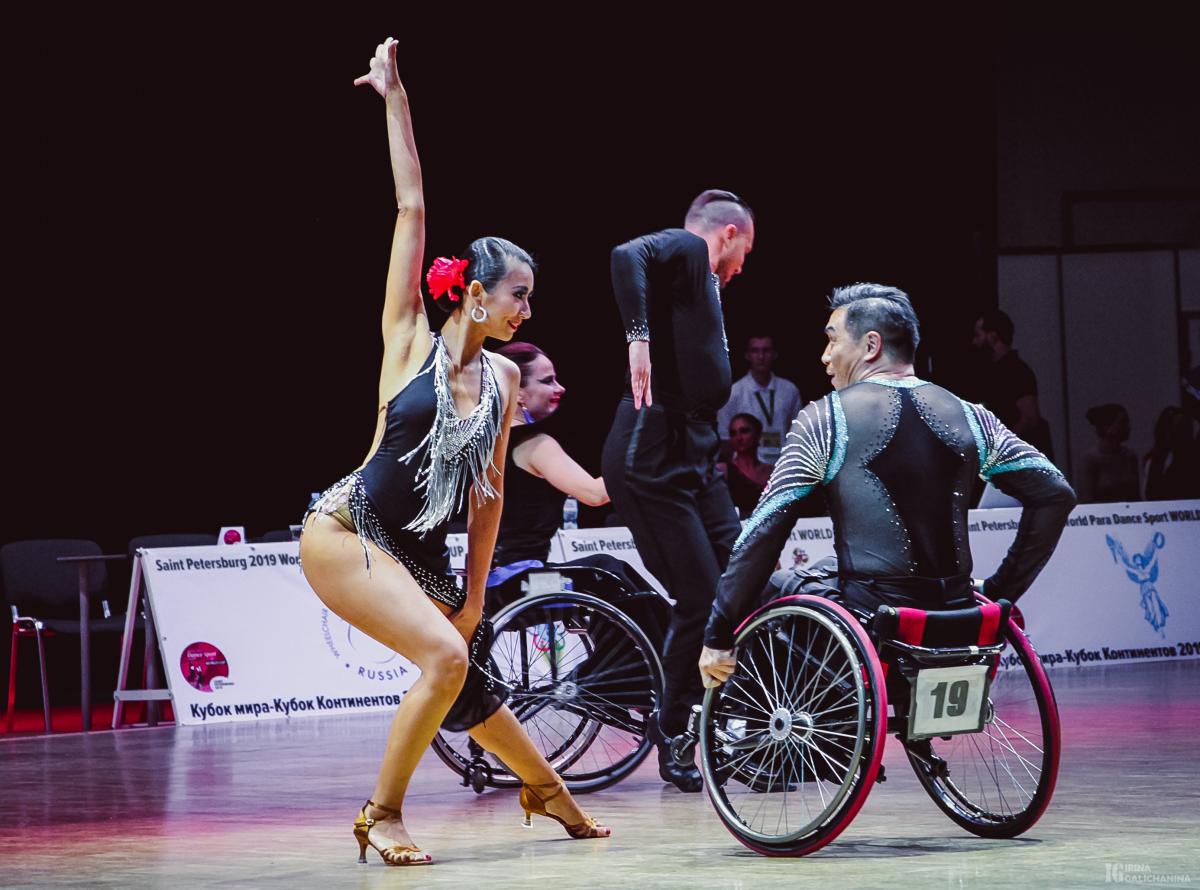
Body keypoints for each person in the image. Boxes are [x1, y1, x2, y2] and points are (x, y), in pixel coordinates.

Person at [299, 40, 608, 868]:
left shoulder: (506, 378)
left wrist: (473, 595)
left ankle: (552, 793)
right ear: (474, 292)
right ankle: (382, 814)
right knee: (443, 658)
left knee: (463, 673)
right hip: (348, 533)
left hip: (419, 552)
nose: (526, 308)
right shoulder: (407, 340)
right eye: (518, 295)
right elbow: (410, 208)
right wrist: (395, 100)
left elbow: (491, 495)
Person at [699, 284, 1076, 687]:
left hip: (873, 618)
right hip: (957, 610)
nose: (825, 357)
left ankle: (753, 729)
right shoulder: (971, 415)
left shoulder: (825, 419)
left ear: (871, 345)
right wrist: (1003, 590)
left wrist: (719, 630)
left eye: (832, 341)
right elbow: (1056, 494)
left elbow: (764, 531)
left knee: (767, 587)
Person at [601, 189, 753, 791]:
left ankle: (741, 726)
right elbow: (624, 253)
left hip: (696, 453)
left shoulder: (701, 286)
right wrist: (637, 337)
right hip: (651, 452)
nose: (744, 268)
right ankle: (675, 732)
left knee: (741, 586)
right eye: (747, 251)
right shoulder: (691, 250)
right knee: (701, 598)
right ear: (731, 233)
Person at [492, 341, 609, 569]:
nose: (561, 388)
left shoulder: (487, 442)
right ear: (518, 393)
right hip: (525, 581)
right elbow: (595, 495)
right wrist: (639, 467)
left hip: (493, 583)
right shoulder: (535, 444)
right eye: (547, 381)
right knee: (610, 568)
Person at [972, 309, 1055, 458]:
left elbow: (1030, 419)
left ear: (992, 337)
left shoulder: (1015, 371)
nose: (975, 342)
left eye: (978, 335)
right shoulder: (1001, 372)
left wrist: (999, 449)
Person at [717, 334, 804, 464]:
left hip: (782, 464)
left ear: (774, 354)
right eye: (755, 351)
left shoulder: (789, 390)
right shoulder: (734, 392)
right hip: (745, 469)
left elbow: (799, 434)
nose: (761, 356)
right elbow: (724, 438)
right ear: (747, 355)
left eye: (766, 351)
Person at [1077, 404, 1140, 503]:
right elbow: (1086, 500)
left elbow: (1136, 496)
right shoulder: (1090, 460)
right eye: (1122, 423)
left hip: (1129, 515)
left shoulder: (1130, 456)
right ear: (1106, 427)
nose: (1128, 428)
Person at [719, 413, 772, 517]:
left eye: (744, 431)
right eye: (733, 433)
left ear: (757, 434)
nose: (739, 438)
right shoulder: (723, 471)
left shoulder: (772, 472)